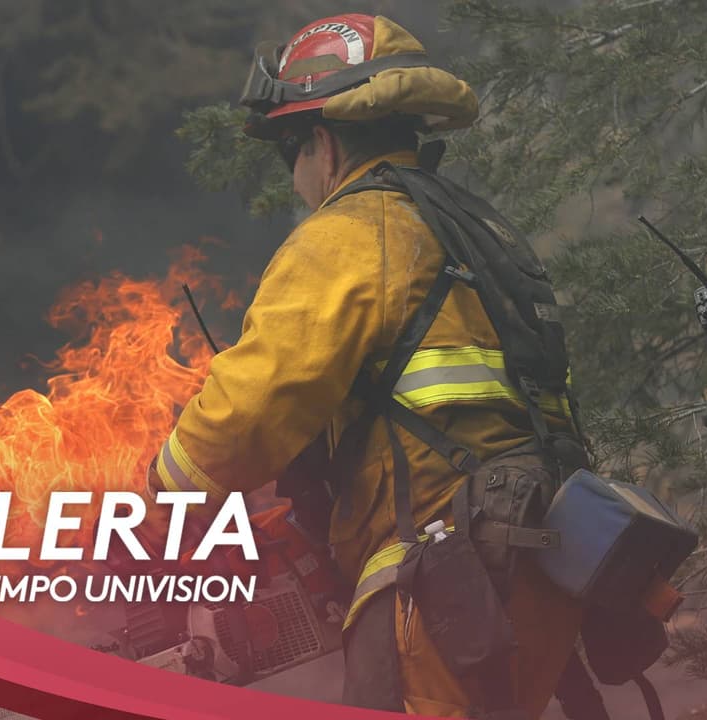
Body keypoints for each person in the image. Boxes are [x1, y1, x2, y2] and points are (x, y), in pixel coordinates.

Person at [148, 14, 588, 718]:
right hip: (534, 557)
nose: (297, 179)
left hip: (438, 576)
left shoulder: (349, 234)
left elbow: (246, 416)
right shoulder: (471, 228)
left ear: (321, 144)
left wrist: (161, 487)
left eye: (289, 153)